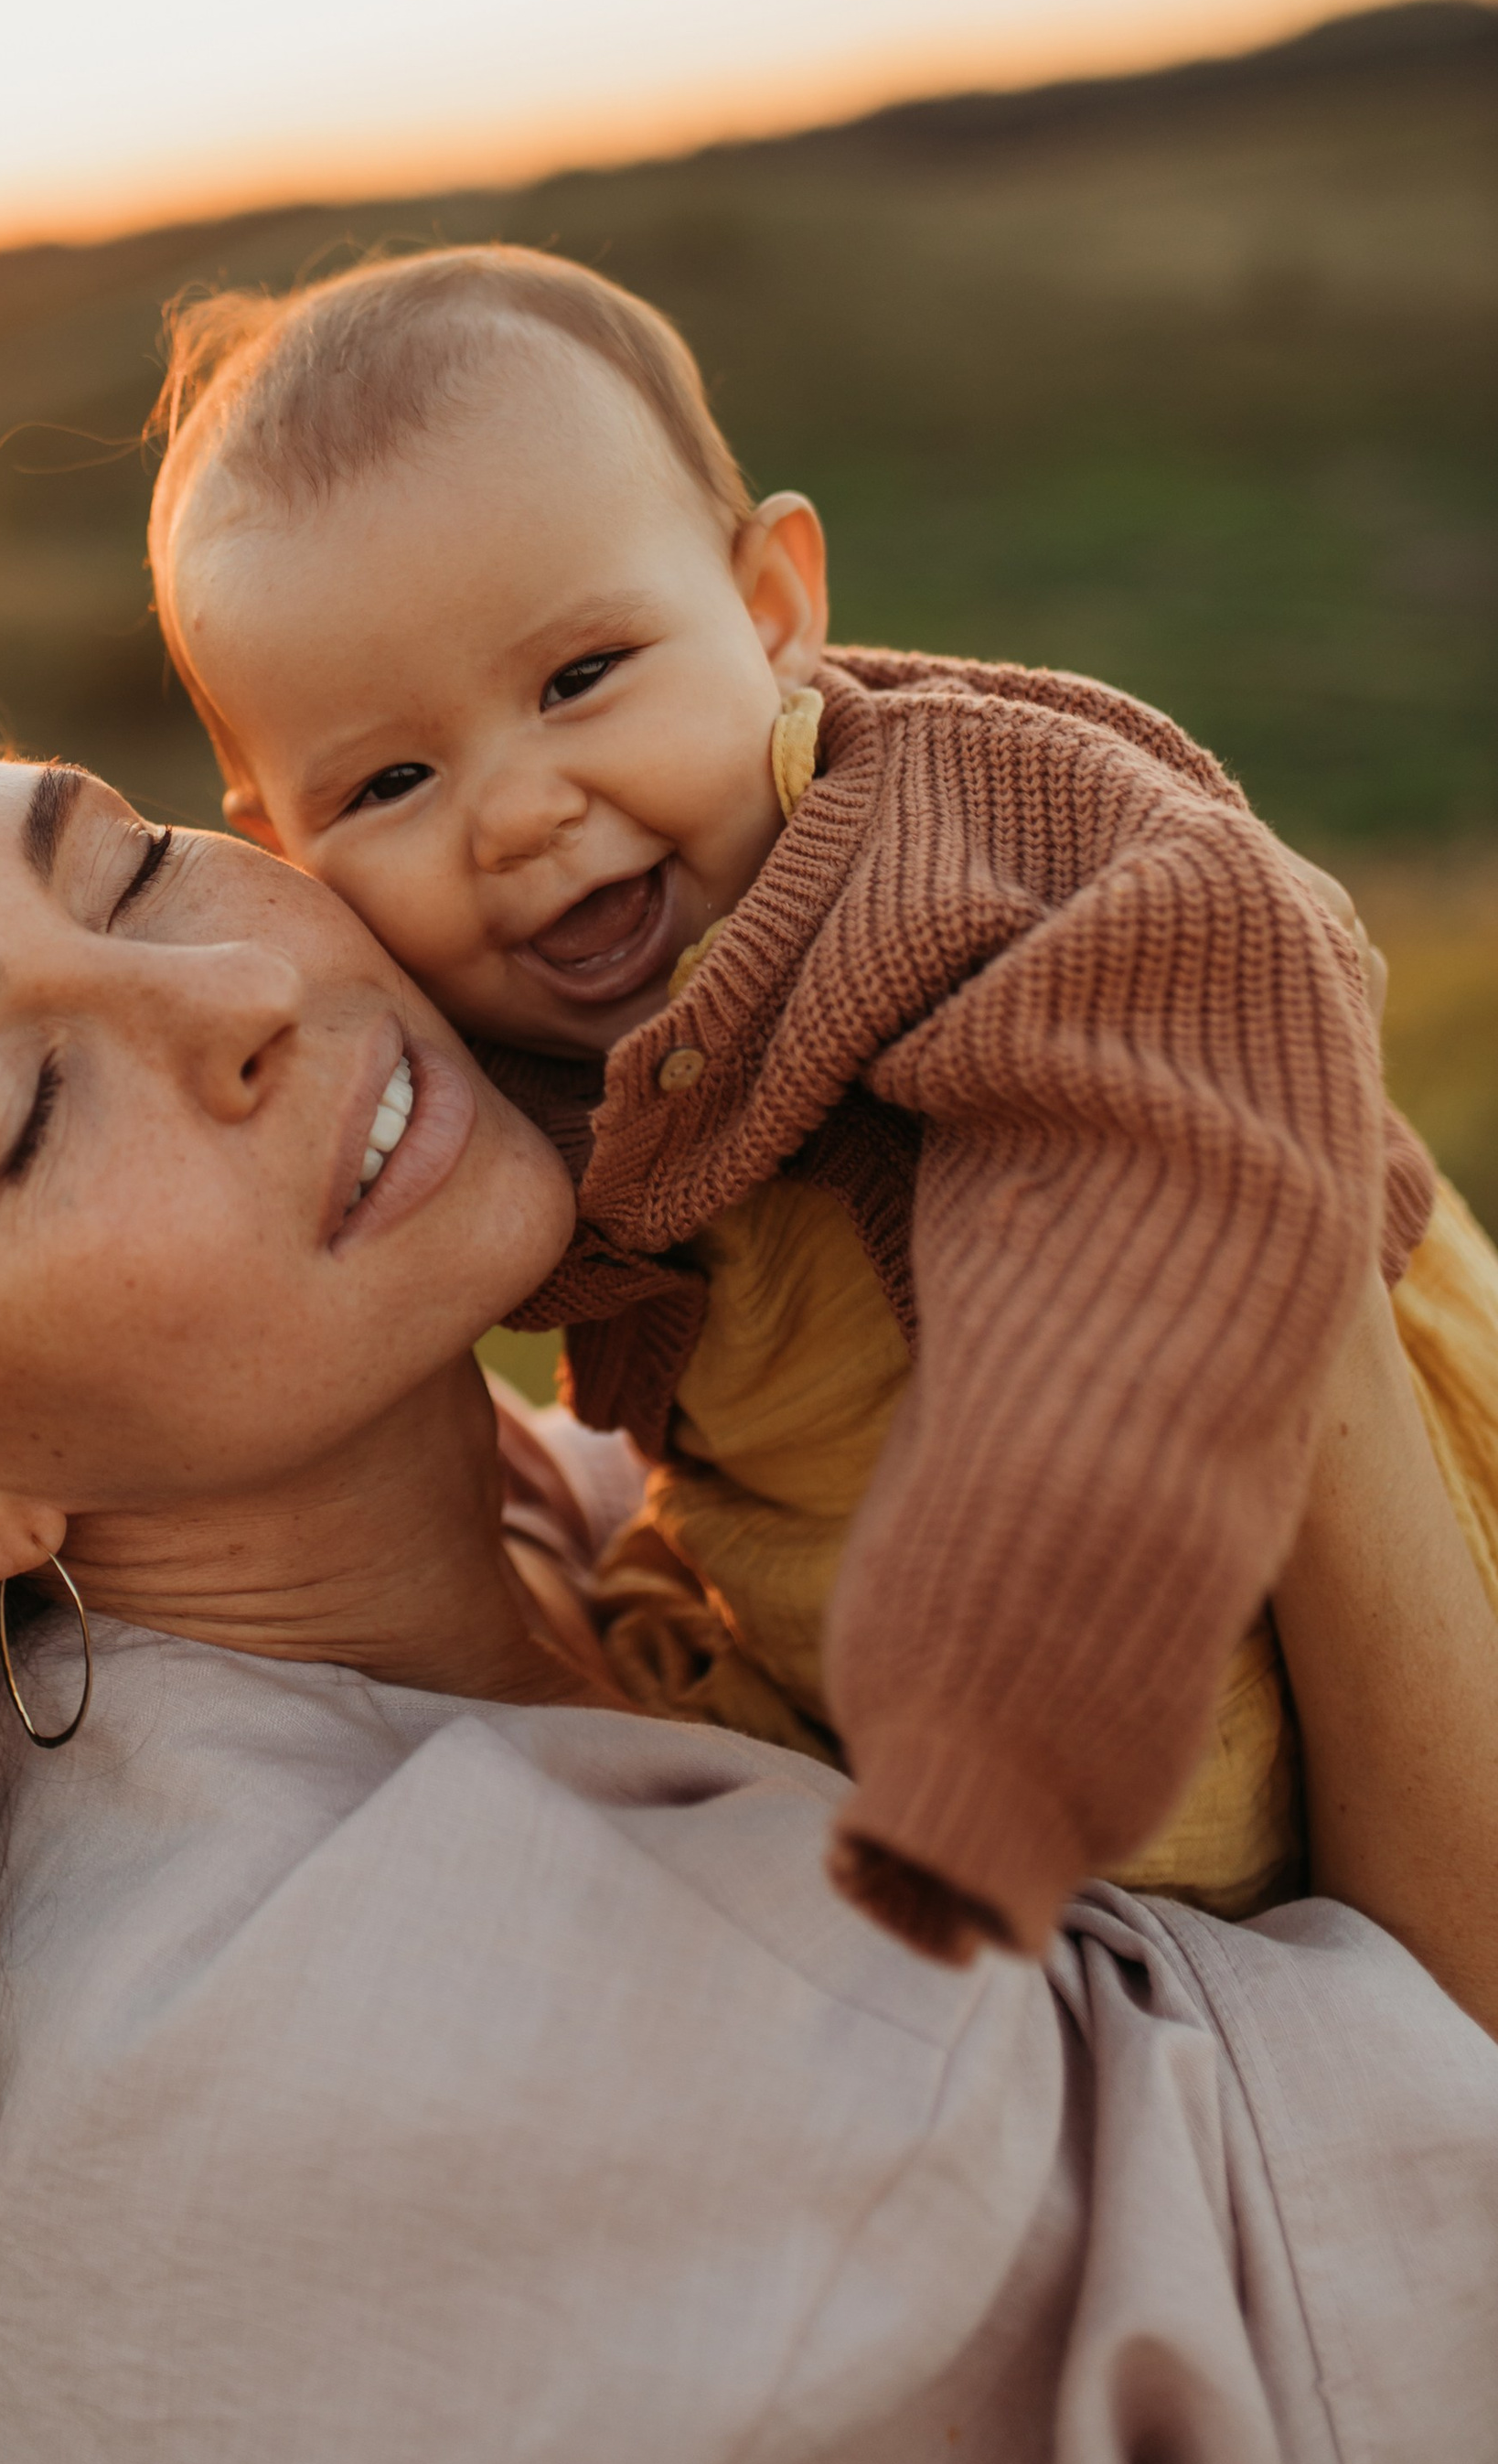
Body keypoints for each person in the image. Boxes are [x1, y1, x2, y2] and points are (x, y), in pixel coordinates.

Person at [0, 624, 1496, 2464]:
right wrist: (1223, 1152)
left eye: (129, 864)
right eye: (26, 1110)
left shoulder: (583, 1510)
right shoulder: (343, 2064)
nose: (241, 997)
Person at [142, 246, 1498, 1956]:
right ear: (284, 847)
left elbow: (1228, 956)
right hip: (867, 1670)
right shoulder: (461, 1039)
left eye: (579, 678)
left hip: (1211, 1564)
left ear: (773, 607)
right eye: (392, 780)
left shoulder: (950, 829)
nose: (517, 811)